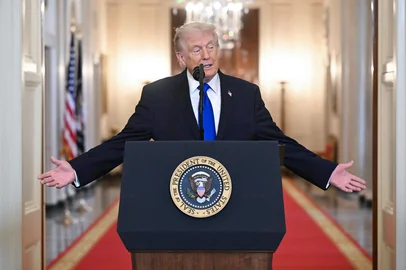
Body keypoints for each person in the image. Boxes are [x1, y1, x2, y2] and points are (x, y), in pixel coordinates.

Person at [38, 22, 366, 194]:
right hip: (175, 199)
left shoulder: (246, 94)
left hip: (237, 198)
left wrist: (326, 170)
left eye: (211, 46)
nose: (206, 55)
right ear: (181, 58)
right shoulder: (157, 95)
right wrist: (78, 168)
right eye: (196, 49)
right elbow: (124, 143)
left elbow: (279, 144)